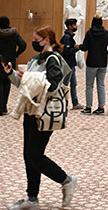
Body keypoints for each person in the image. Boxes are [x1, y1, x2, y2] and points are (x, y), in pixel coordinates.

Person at [1, 26, 77, 210]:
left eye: (37, 38)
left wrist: (27, 76)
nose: (34, 41)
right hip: (31, 110)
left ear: (47, 39)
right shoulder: (36, 59)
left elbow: (52, 85)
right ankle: (32, 198)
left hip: (45, 113)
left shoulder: (54, 59)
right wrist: (11, 73)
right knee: (29, 156)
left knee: (34, 155)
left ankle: (66, 180)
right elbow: (25, 86)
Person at [79, 14, 108, 115]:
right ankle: (101, 107)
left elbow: (85, 47)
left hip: (92, 62)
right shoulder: (106, 33)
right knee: (101, 85)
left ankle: (88, 107)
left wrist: (79, 46)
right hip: (103, 62)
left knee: (89, 85)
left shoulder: (90, 33)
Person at [0, 15, 26, 116]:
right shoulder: (13, 33)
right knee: (7, 84)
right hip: (10, 61)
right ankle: (4, 107)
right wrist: (16, 53)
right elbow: (23, 44)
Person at [60, 18, 83, 110]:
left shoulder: (69, 36)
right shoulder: (67, 37)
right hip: (67, 64)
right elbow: (67, 51)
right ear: (69, 26)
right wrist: (77, 48)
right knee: (65, 85)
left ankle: (75, 103)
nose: (76, 26)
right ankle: (62, 103)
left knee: (73, 84)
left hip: (71, 64)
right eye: (74, 25)